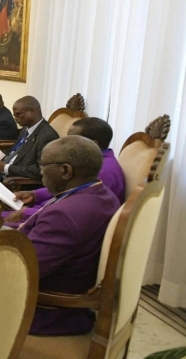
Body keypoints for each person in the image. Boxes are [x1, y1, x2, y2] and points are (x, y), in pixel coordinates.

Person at [19, 136, 121, 335]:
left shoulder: (65, 215)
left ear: (66, 170)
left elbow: (22, 271)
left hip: (44, 312)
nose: (40, 172)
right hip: (67, 299)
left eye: (42, 165)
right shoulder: (101, 194)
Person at [5, 117, 126, 227]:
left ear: (92, 144)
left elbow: (78, 212)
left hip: (53, 221)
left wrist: (27, 213)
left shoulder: (103, 171)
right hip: (45, 211)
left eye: (72, 138)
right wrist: (35, 194)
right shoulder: (86, 161)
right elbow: (69, 188)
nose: (65, 142)